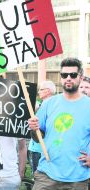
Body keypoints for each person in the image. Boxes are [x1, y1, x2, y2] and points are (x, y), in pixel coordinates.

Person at [28, 58, 90, 189]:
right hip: (47, 174)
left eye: (73, 75)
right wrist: (34, 129)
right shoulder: (49, 104)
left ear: (81, 77)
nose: (68, 78)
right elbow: (38, 138)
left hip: (77, 178)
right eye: (64, 75)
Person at [28, 80, 56, 174]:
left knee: (38, 178)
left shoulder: (46, 107)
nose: (39, 92)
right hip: (45, 148)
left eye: (41, 89)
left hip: (38, 148)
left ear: (47, 91)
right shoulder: (50, 105)